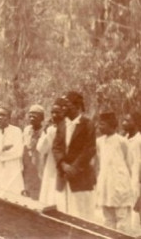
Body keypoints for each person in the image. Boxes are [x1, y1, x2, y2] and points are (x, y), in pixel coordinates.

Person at [52, 91, 96, 221]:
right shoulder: (61, 124)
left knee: (83, 216)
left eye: (67, 105)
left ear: (77, 107)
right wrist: (63, 165)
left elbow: (89, 149)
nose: (62, 108)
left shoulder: (88, 124)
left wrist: (74, 167)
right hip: (63, 177)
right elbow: (56, 147)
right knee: (63, 213)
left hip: (81, 178)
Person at [95, 112, 134, 232]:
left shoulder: (122, 141)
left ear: (112, 126)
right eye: (99, 124)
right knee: (108, 220)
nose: (99, 127)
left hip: (120, 186)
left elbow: (129, 163)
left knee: (122, 220)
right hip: (106, 186)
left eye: (103, 124)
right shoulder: (99, 142)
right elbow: (100, 163)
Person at [37, 98, 65, 206]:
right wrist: (46, 131)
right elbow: (41, 149)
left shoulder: (68, 129)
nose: (54, 115)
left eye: (57, 112)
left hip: (63, 166)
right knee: (49, 195)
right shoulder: (51, 130)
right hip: (51, 165)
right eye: (52, 112)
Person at [0, 107, 24, 195]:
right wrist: (1, 149)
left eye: (3, 115)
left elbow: (18, 151)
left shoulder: (16, 131)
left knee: (13, 194)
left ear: (9, 118)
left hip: (12, 169)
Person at [22, 105, 45, 200]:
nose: (32, 118)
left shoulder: (45, 131)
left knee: (39, 190)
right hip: (28, 165)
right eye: (30, 116)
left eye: (35, 116)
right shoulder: (27, 130)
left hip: (40, 164)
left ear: (41, 118)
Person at [123, 112, 141, 222]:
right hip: (123, 182)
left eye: (127, 121)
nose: (124, 123)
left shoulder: (139, 141)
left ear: (136, 123)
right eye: (124, 120)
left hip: (135, 184)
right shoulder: (123, 139)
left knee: (135, 217)